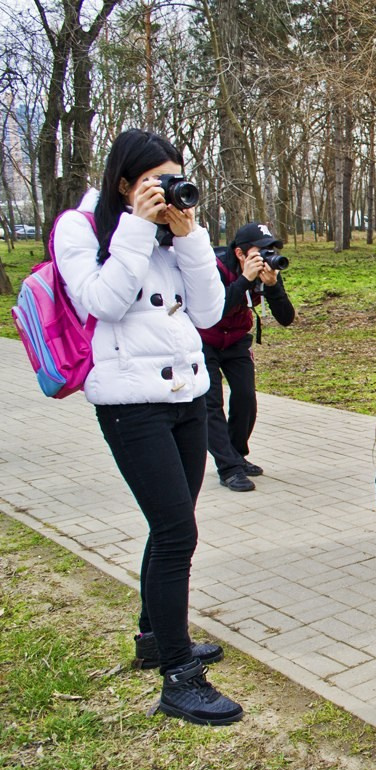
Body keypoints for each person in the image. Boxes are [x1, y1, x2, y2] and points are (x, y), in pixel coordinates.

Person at [55, 128, 242, 725]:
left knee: (171, 527)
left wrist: (191, 239)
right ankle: (178, 676)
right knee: (175, 532)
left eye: (173, 180)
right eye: (151, 184)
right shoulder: (80, 229)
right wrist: (137, 228)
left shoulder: (173, 234)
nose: (165, 194)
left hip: (188, 393)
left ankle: (153, 637)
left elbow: (212, 312)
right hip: (131, 403)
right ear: (123, 185)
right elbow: (102, 303)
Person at [198, 222, 295, 492]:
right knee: (211, 403)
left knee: (245, 397)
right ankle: (228, 467)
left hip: (237, 340)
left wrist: (273, 285)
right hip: (204, 340)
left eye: (271, 250)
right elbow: (215, 310)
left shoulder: (267, 271)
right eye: (261, 251)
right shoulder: (214, 268)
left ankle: (237, 455)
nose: (267, 257)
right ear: (240, 253)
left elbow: (286, 318)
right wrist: (243, 280)